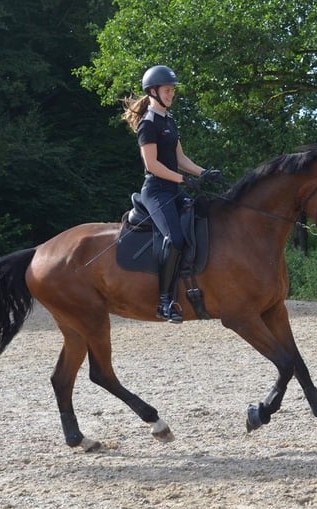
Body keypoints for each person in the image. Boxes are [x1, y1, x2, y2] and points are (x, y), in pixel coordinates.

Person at [122, 65, 222, 323]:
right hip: (155, 191)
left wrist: (203, 173)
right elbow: (151, 165)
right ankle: (164, 301)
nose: (171, 95)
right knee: (175, 238)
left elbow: (180, 158)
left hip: (173, 188)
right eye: (168, 91)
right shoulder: (148, 123)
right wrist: (183, 179)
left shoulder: (169, 120)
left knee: (201, 220)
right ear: (153, 91)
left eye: (173, 91)